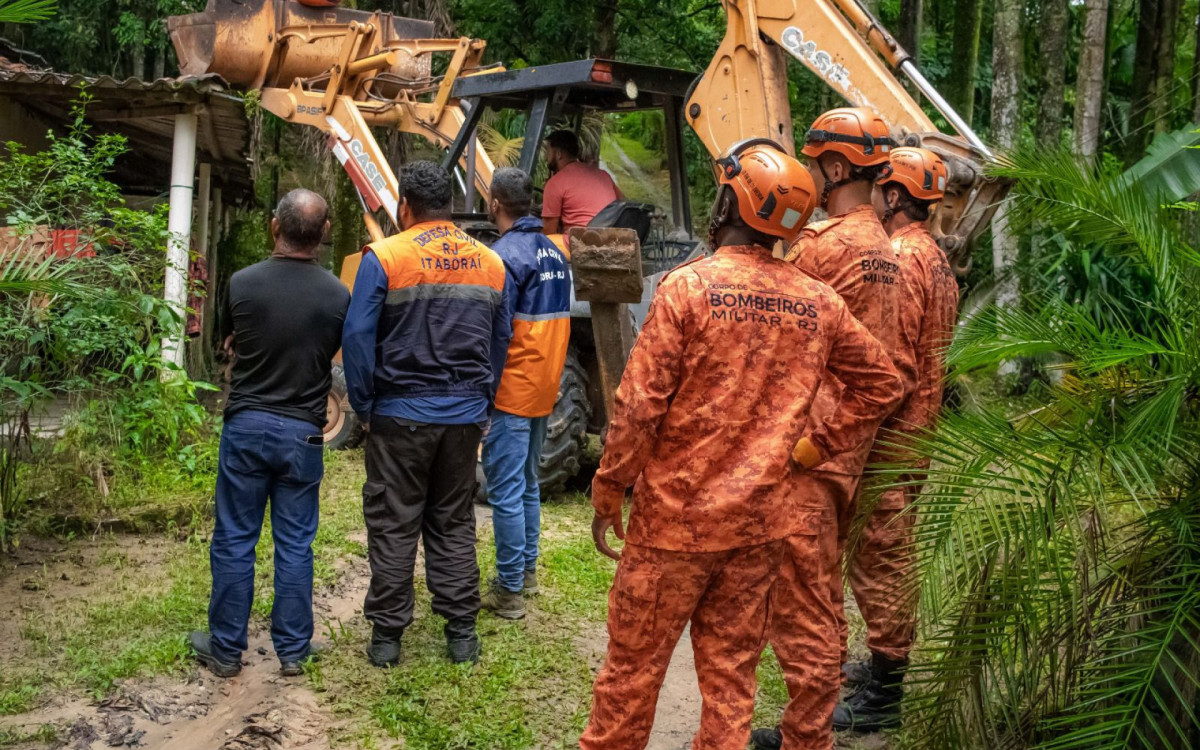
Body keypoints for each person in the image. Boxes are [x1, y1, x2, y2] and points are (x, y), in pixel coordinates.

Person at [579, 139, 904, 750]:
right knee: (731, 683)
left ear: (729, 204)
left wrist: (609, 488)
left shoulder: (688, 289)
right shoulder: (818, 301)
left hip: (672, 528)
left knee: (631, 677)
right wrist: (815, 448)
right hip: (758, 530)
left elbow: (639, 406)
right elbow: (883, 384)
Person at [752, 108, 918, 750]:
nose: (811, 177)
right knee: (818, 589)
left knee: (806, 598)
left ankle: (807, 733)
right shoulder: (885, 249)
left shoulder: (824, 246)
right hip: (850, 444)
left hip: (812, 445)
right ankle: (813, 724)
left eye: (816, 164)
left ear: (838, 167)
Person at [341, 161, 513, 667]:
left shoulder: (385, 256)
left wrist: (364, 403)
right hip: (464, 417)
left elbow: (357, 336)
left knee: (394, 521)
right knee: (453, 520)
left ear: (404, 207)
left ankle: (387, 639)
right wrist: (484, 400)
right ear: (449, 206)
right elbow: (500, 339)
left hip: (398, 414)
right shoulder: (490, 262)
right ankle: (461, 635)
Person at [190, 189, 350, 678]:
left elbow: (228, 340)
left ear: (274, 227)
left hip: (247, 426)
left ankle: (224, 649)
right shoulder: (338, 296)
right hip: (303, 433)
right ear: (325, 233)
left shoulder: (242, 284)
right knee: (296, 543)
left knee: (235, 538)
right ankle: (294, 651)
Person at [832, 147, 959, 732]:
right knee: (889, 549)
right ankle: (883, 665)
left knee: (881, 556)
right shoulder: (937, 258)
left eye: (880, 190)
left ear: (896, 196)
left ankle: (885, 691)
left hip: (891, 436)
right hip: (919, 433)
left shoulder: (903, 259)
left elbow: (896, 364)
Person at [479, 167, 573, 620]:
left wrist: (484, 392)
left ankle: (510, 589)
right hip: (545, 385)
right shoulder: (556, 252)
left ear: (496, 204)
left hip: (512, 389)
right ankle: (527, 571)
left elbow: (497, 336)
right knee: (528, 483)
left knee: (505, 490)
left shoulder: (502, 257)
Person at [541, 130, 623, 234]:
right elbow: (624, 203)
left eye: (548, 152)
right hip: (611, 238)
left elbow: (548, 231)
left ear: (558, 154)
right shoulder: (603, 175)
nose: (546, 157)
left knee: (543, 239)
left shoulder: (555, 183)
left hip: (580, 240)